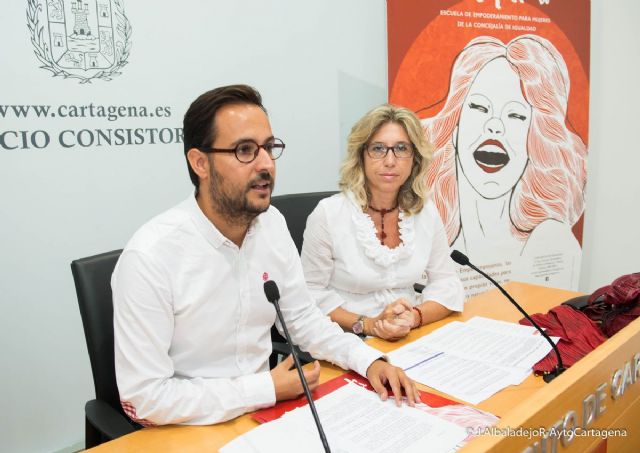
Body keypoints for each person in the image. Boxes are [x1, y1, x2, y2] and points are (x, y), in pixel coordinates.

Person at [112, 85, 418, 426]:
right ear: (200, 163)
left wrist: (369, 360)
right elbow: (143, 398)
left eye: (269, 148)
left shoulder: (271, 224)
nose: (266, 164)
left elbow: (302, 320)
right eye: (245, 150)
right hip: (188, 428)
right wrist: (264, 389)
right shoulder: (151, 257)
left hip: (266, 417)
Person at [422, 35, 587, 289]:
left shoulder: (550, 241)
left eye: (516, 115)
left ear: (536, 141)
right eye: (479, 107)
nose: (495, 126)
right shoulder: (428, 241)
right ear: (454, 127)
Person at [301, 104, 464, 341]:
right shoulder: (329, 214)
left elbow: (446, 282)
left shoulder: (425, 211)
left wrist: (415, 317)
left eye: (401, 149)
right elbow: (309, 295)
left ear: (414, 158)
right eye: (378, 149)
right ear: (361, 155)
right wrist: (367, 325)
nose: (390, 161)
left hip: (409, 335)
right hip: (345, 339)